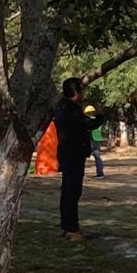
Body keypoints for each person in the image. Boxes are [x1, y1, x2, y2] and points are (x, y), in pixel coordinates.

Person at [52, 78, 104, 240]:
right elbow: (90, 124)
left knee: (69, 190)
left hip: (67, 153)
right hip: (73, 154)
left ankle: (68, 227)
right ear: (77, 92)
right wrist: (100, 114)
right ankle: (71, 229)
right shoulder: (72, 110)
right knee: (72, 191)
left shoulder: (61, 107)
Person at [84, 105, 105, 178]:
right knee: (97, 157)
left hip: (91, 139)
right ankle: (100, 174)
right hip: (97, 139)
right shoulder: (98, 119)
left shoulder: (89, 119)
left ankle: (81, 174)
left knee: (83, 157)